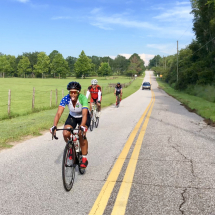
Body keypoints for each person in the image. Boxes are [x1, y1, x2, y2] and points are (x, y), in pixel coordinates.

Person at [50, 81, 90, 168]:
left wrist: (82, 126)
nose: (72, 94)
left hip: (83, 117)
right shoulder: (66, 98)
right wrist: (54, 125)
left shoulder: (83, 98)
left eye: (74, 92)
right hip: (72, 116)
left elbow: (84, 114)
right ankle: (71, 149)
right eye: (71, 92)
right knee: (65, 133)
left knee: (81, 133)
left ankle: (84, 157)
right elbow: (59, 113)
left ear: (78, 92)